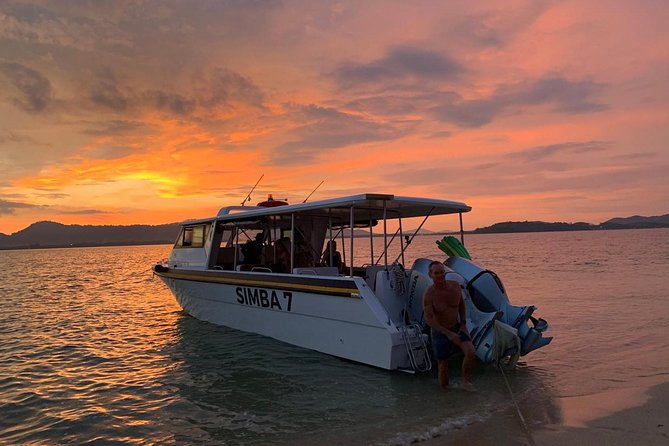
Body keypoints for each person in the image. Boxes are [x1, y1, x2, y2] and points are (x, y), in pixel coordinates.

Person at [423, 260, 476, 390]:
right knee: (443, 364)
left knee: (470, 352)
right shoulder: (429, 294)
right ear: (430, 275)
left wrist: (463, 324)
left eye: (442, 272)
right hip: (439, 331)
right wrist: (448, 334)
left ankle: (465, 381)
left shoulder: (455, 286)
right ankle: (445, 392)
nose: (440, 275)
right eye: (436, 273)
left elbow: (461, 305)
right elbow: (429, 319)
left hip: (457, 326)